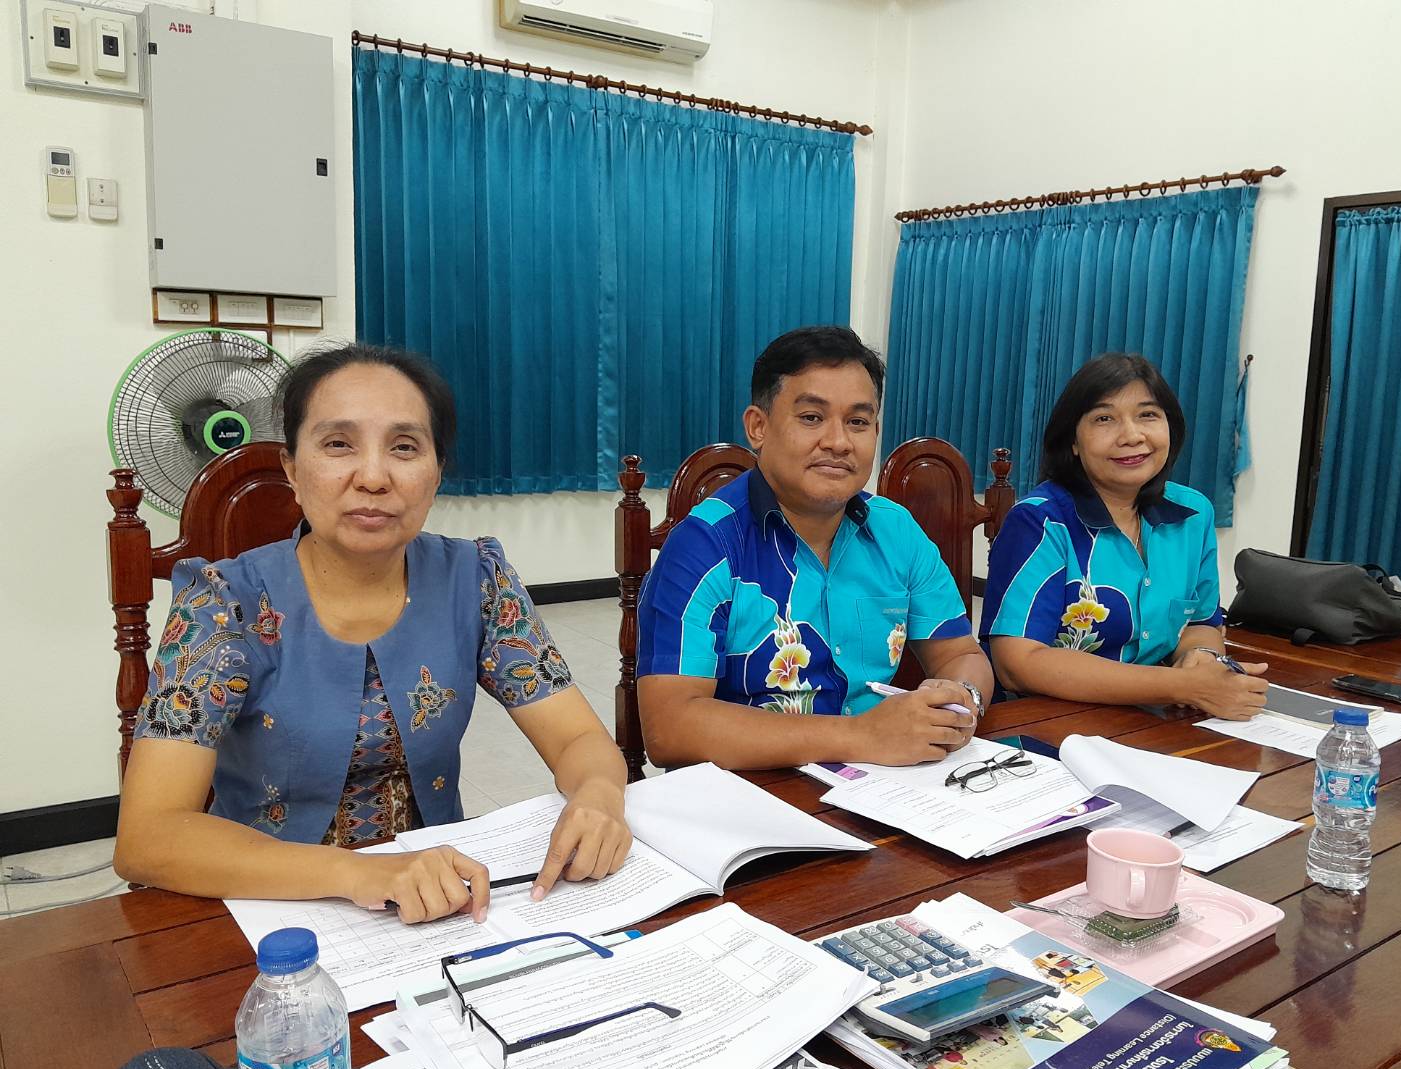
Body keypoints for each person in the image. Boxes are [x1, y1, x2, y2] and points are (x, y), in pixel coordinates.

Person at [114, 343, 632, 923]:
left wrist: (598, 795)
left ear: (437, 472)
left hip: (439, 900)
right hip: (267, 902)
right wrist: (359, 874)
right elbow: (148, 837)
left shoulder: (477, 579)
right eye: (338, 444)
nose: (373, 477)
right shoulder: (223, 602)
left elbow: (578, 739)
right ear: (291, 470)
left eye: (404, 447)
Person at [636, 325, 995, 770]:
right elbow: (669, 728)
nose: (839, 442)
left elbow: (960, 654)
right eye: (811, 417)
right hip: (755, 788)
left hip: (889, 784)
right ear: (758, 426)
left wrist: (963, 698)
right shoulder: (705, 544)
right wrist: (861, 736)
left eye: (858, 422)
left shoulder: (896, 530)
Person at [980, 353, 1268, 720]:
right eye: (1104, 419)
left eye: (1148, 415)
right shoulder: (1040, 521)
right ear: (1072, 441)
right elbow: (1018, 664)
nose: (1132, 436)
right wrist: (1181, 685)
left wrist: (1201, 660)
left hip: (1151, 720)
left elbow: (1201, 623)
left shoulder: (1193, 514)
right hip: (1044, 726)